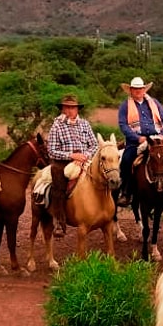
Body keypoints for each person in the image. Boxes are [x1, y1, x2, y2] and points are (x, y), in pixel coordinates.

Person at [116, 76, 163, 207]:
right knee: (126, 160)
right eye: (135, 89)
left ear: (144, 89)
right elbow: (123, 125)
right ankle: (125, 193)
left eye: (140, 88)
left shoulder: (154, 102)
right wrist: (137, 137)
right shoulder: (125, 106)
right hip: (136, 140)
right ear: (130, 90)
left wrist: (162, 133)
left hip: (156, 139)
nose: (138, 91)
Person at [46, 94, 99, 237]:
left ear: (77, 109)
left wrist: (85, 156)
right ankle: (59, 220)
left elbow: (94, 144)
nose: (70, 110)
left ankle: (106, 214)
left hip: (85, 159)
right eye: (67, 107)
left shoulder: (85, 124)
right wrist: (71, 155)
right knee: (59, 183)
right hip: (64, 162)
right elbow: (51, 150)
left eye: (73, 108)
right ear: (62, 109)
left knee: (103, 176)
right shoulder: (57, 125)